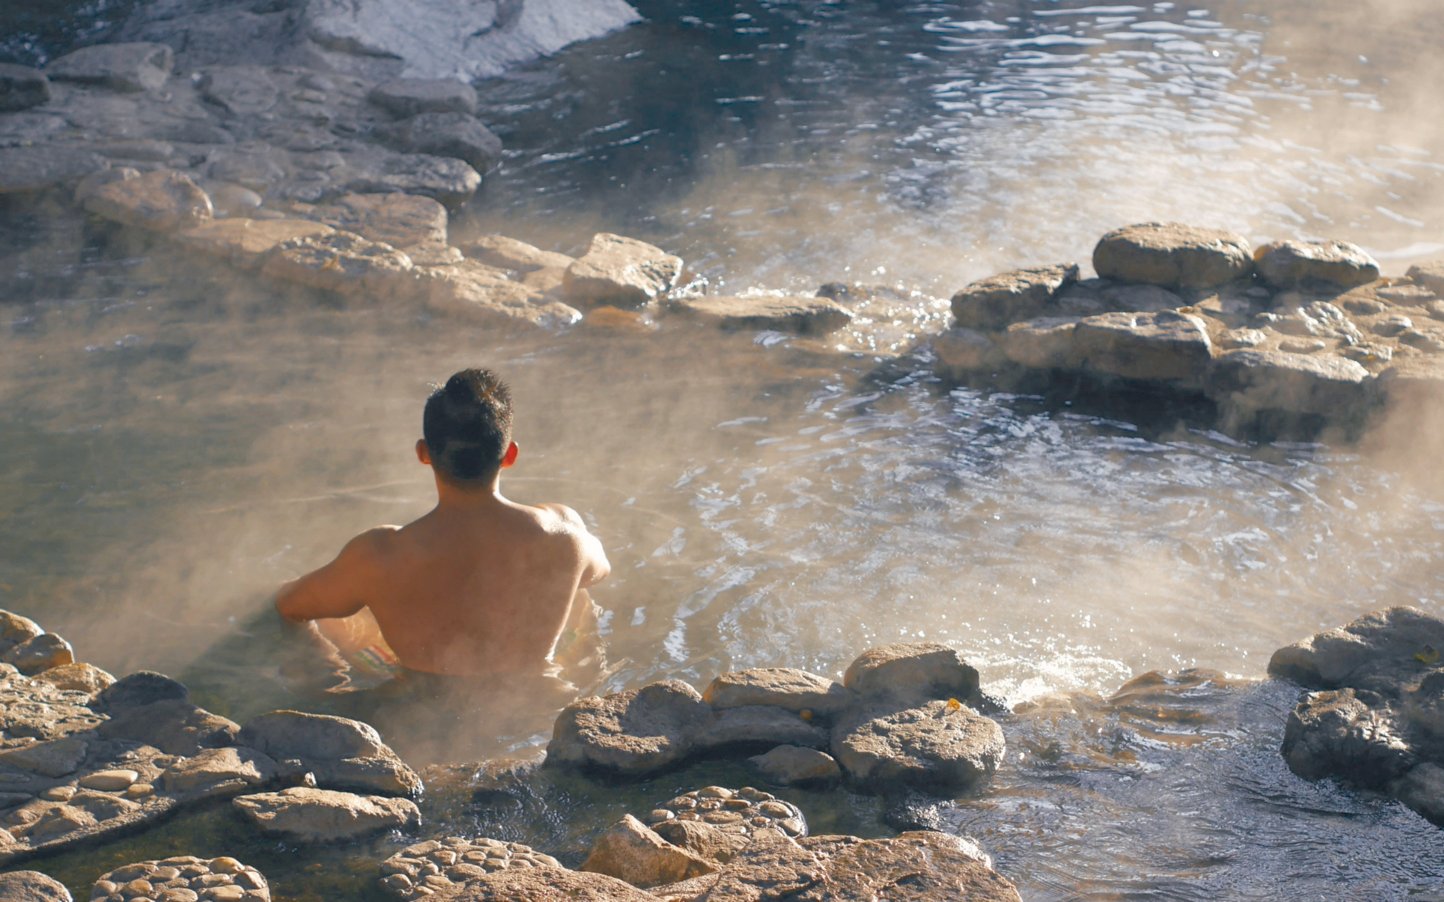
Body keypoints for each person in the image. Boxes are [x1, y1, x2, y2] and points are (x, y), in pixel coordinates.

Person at [274, 368, 610, 688]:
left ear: (423, 453)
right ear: (509, 454)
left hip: (418, 699)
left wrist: (327, 662)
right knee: (577, 589)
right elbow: (600, 572)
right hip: (535, 691)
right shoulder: (564, 534)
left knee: (339, 602)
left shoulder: (380, 554)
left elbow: (289, 606)